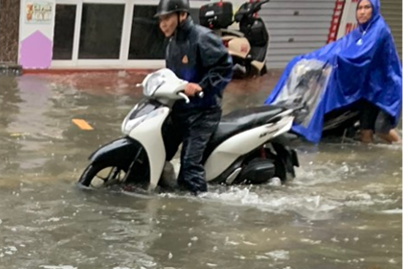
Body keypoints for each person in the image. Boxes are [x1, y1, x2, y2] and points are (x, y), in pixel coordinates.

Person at [265, 0, 402, 144]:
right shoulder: (361, 31)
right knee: (365, 134)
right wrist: (305, 59)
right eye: (359, 8)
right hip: (368, 88)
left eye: (367, 7)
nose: (362, 12)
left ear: (374, 9)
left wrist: (333, 62)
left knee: (381, 129)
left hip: (385, 90)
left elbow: (361, 55)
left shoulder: (379, 29)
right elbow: (337, 47)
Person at [156, 0, 233, 194]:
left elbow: (224, 66)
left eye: (167, 18)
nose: (162, 24)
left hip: (203, 113)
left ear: (181, 15)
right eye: (160, 20)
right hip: (180, 109)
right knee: (156, 153)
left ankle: (197, 207)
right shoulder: (172, 41)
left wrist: (201, 86)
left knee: (190, 167)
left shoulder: (202, 38)